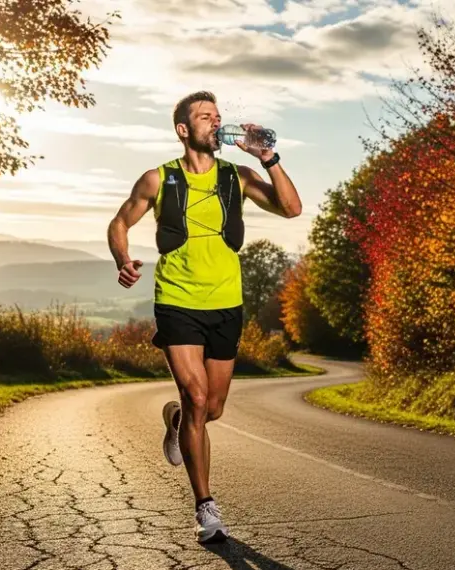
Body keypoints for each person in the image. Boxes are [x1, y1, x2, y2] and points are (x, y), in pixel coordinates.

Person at [106, 91, 302, 544]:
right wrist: (123, 257)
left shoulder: (239, 176)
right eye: (205, 117)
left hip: (226, 301)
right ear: (183, 129)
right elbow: (120, 223)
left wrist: (269, 158)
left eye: (218, 116)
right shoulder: (159, 179)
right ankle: (206, 509)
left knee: (210, 408)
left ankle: (176, 421)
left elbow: (291, 208)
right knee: (196, 397)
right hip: (177, 299)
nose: (216, 123)